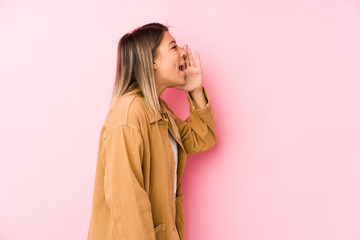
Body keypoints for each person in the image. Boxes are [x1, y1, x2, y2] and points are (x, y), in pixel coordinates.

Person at [87, 22, 217, 240]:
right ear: (152, 61)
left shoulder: (158, 111)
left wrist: (195, 90)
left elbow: (202, 139)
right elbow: (127, 203)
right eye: (174, 47)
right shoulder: (128, 115)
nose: (184, 54)